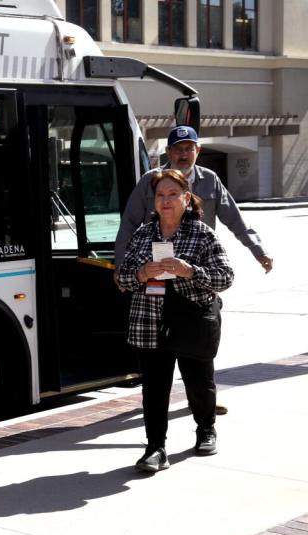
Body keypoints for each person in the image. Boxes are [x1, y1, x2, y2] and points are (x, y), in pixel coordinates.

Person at [114, 125, 271, 416]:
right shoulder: (152, 181)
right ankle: (161, 406)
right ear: (169, 153)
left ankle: (202, 399)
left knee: (201, 342)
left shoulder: (210, 180)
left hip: (196, 275)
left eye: (189, 148)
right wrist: (121, 267)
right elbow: (129, 224)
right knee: (161, 346)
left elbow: (235, 220)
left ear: (197, 151)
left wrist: (258, 251)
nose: (184, 154)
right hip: (158, 279)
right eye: (178, 149)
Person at [117, 169, 234, 473]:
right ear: (153, 201)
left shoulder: (202, 233)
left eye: (172, 194)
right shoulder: (143, 234)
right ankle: (155, 448)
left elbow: (225, 277)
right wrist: (141, 274)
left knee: (199, 383)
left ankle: (206, 430)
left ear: (186, 198)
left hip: (190, 319)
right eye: (160, 195)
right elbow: (123, 277)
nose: (165, 200)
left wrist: (189, 270)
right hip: (150, 321)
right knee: (154, 389)